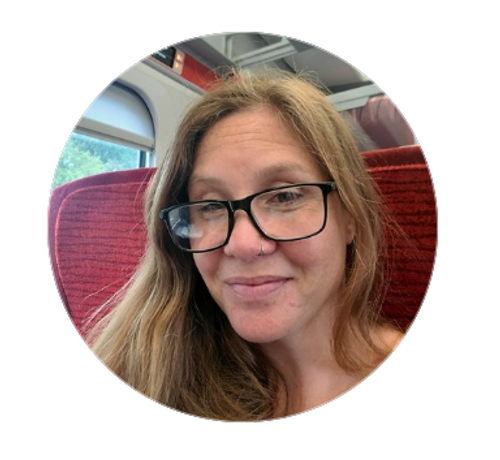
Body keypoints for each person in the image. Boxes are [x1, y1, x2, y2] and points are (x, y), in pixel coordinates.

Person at [90, 68, 403, 421]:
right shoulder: (144, 370)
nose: (241, 244)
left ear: (350, 216)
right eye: (210, 206)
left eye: (285, 196)